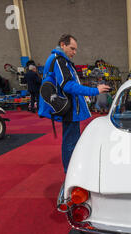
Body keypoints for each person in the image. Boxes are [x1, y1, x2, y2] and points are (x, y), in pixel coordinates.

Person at [38, 34, 110, 173]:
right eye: (72, 48)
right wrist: (95, 90)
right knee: (71, 143)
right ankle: (72, 174)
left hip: (69, 107)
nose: (74, 52)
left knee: (71, 141)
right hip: (69, 109)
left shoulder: (58, 60)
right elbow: (68, 85)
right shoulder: (59, 60)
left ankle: (73, 171)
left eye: (75, 49)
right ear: (62, 45)